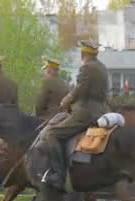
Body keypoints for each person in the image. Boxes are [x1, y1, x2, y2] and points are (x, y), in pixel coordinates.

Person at [39, 41, 108, 190]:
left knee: (52, 134)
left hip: (86, 112)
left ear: (83, 54)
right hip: (102, 111)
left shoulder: (87, 68)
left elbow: (80, 90)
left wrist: (66, 100)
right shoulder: (102, 67)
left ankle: (58, 175)